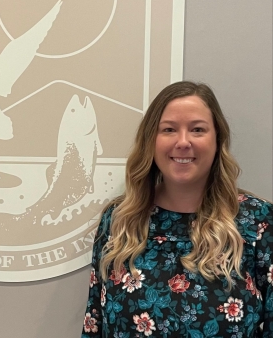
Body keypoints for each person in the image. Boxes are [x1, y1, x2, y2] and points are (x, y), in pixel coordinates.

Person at [82, 81, 273, 337]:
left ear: (217, 140)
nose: (183, 142)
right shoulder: (120, 220)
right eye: (169, 129)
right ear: (151, 140)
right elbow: (94, 324)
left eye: (197, 129)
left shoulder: (257, 222)